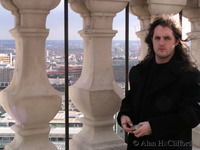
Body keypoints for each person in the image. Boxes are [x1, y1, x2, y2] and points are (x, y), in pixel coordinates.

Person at [117, 14, 200, 150]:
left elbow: (192, 115)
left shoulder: (189, 75)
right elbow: (131, 99)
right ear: (151, 40)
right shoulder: (139, 71)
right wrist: (124, 115)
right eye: (157, 38)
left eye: (167, 38)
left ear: (176, 41)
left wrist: (154, 127)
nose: (161, 43)